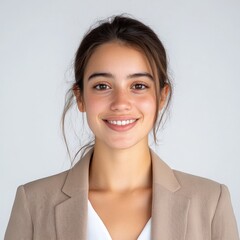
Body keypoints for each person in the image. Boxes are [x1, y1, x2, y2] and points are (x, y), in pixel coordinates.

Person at [5, 15, 239, 240]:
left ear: (161, 96)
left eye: (138, 85)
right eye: (102, 86)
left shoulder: (210, 203)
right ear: (80, 97)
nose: (120, 103)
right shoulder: (33, 203)